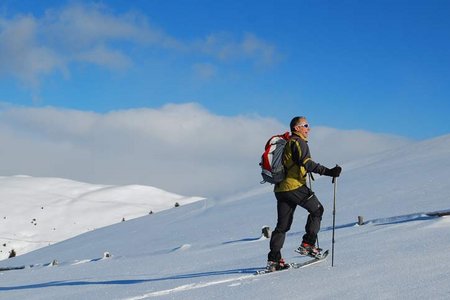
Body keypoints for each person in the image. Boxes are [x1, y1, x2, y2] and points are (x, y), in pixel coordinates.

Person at [266, 116, 342, 271]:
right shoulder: (298, 142)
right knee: (317, 209)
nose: (309, 128)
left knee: (282, 226)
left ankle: (274, 260)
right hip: (294, 186)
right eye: (305, 125)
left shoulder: (287, 143)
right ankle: (308, 245)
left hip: (280, 189)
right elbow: (307, 163)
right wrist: (329, 172)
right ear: (296, 128)